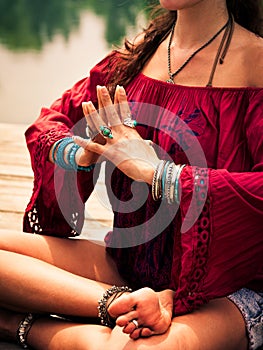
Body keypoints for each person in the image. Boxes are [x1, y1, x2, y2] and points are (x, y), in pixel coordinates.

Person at [0, 0, 262, 349]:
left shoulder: (256, 63)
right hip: (127, 263)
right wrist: (80, 152)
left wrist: (161, 174)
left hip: (222, 290)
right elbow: (53, 120)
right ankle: (118, 304)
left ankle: (18, 323)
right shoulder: (142, 53)